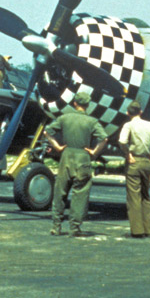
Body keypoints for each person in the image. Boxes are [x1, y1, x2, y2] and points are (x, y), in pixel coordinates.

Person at [44, 91, 108, 237]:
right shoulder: (92, 122)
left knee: (60, 192)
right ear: (88, 105)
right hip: (83, 157)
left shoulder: (64, 118)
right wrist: (94, 152)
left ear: (75, 103)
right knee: (80, 193)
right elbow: (104, 139)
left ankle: (56, 226)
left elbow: (47, 132)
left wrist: (57, 147)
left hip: (66, 156)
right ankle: (74, 228)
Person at [117, 101, 150, 238]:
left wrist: (127, 154)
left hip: (133, 162)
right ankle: (148, 229)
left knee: (134, 197)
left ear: (128, 113)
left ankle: (137, 231)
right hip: (147, 162)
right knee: (145, 196)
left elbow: (122, 141)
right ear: (141, 112)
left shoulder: (128, 125)